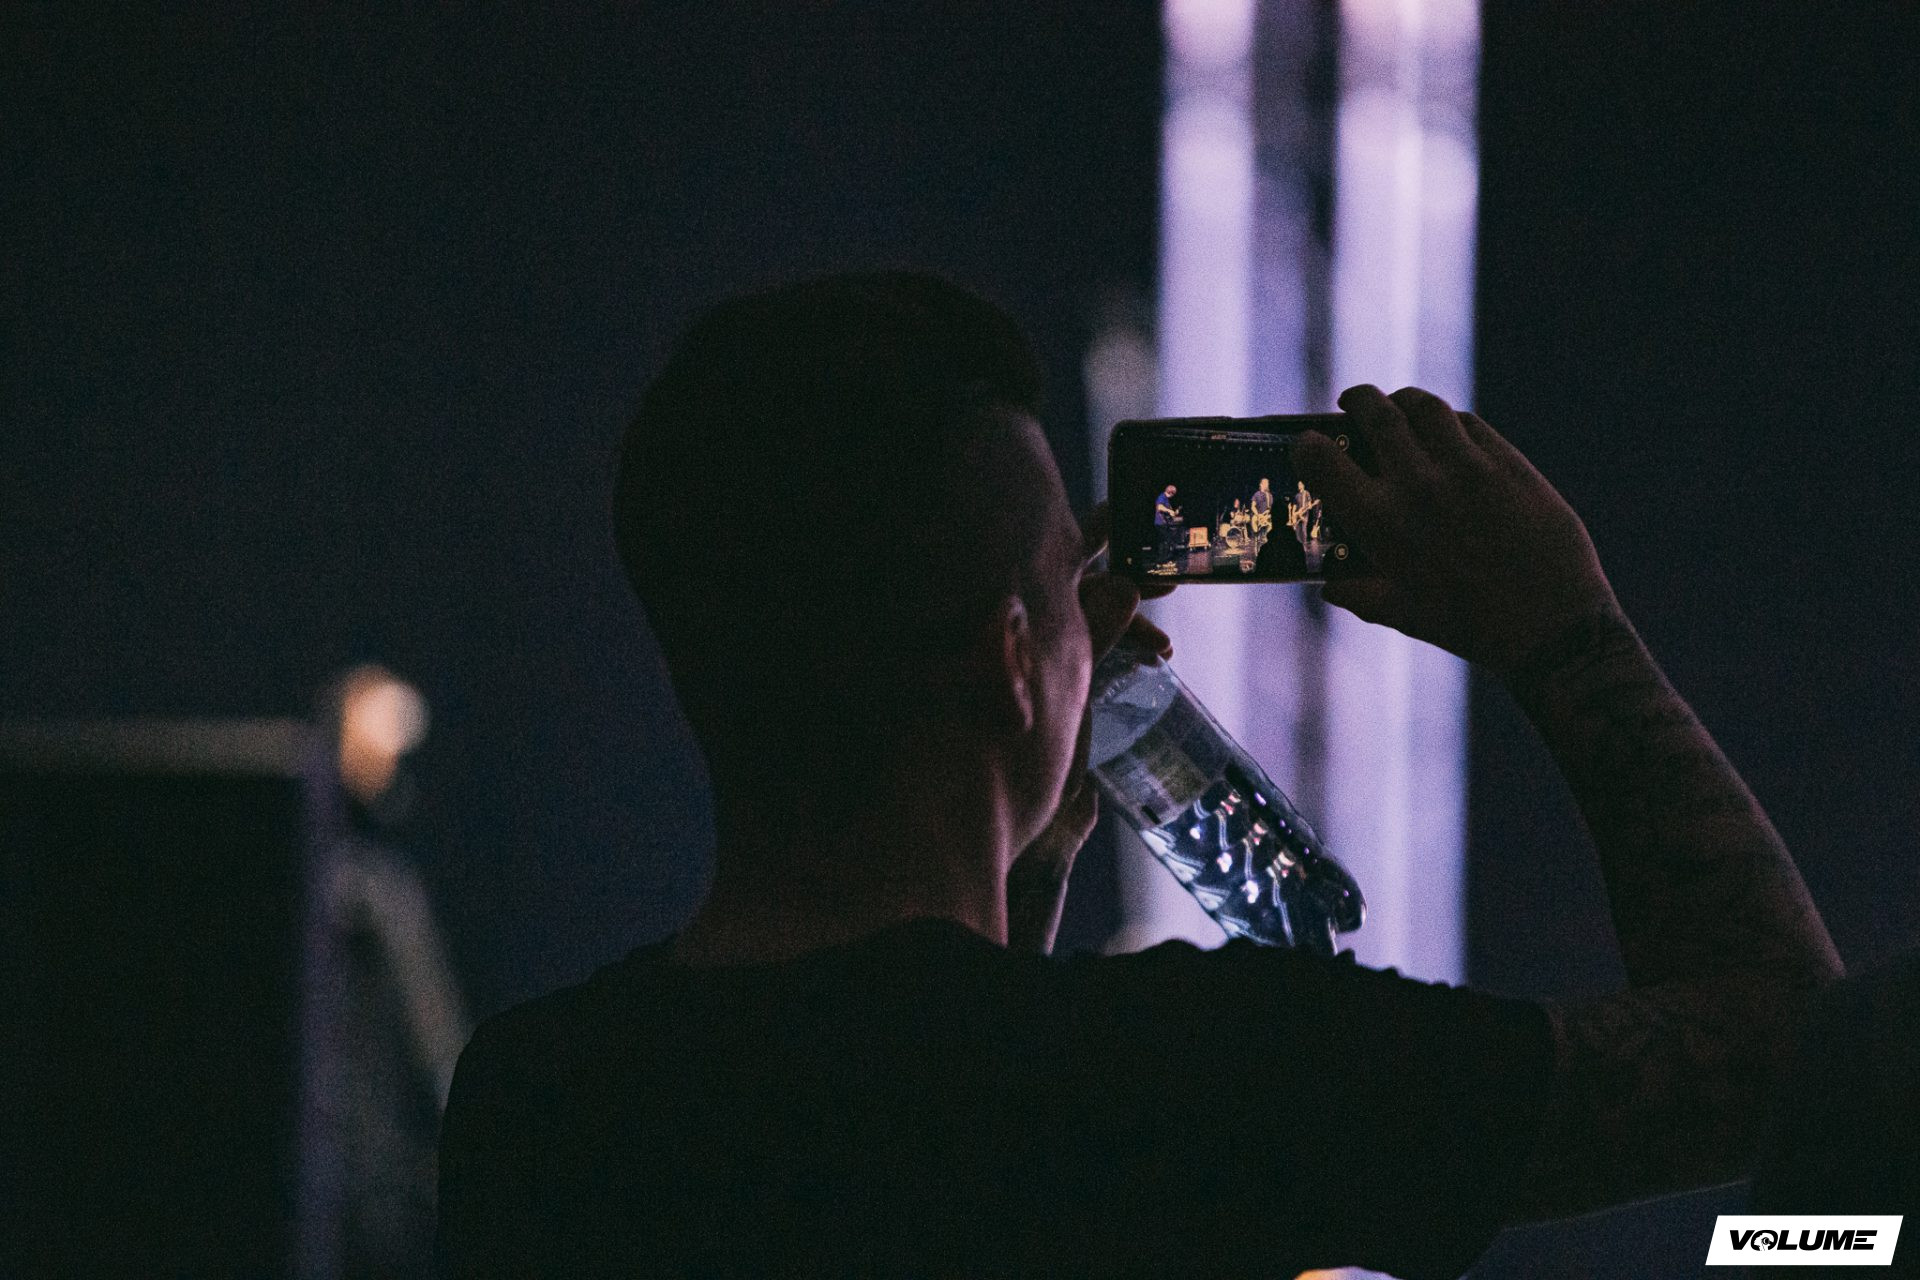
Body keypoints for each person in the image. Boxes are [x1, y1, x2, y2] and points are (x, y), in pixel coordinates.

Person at [437, 272, 1841, 1278]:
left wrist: (1029, 832)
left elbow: (895, 1080)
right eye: (1069, 580)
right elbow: (1790, 1055)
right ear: (1014, 660)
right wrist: (1565, 626)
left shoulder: (534, 1103)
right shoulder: (1191, 1075)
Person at [1153, 483, 1180, 568]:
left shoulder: (1166, 500)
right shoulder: (1162, 497)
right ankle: (1162, 561)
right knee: (1165, 542)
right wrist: (1169, 511)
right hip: (1160, 523)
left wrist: (1174, 512)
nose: (1173, 496)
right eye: (1173, 494)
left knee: (1166, 542)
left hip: (1164, 523)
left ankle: (1163, 561)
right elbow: (1159, 507)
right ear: (1171, 493)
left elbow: (1168, 512)